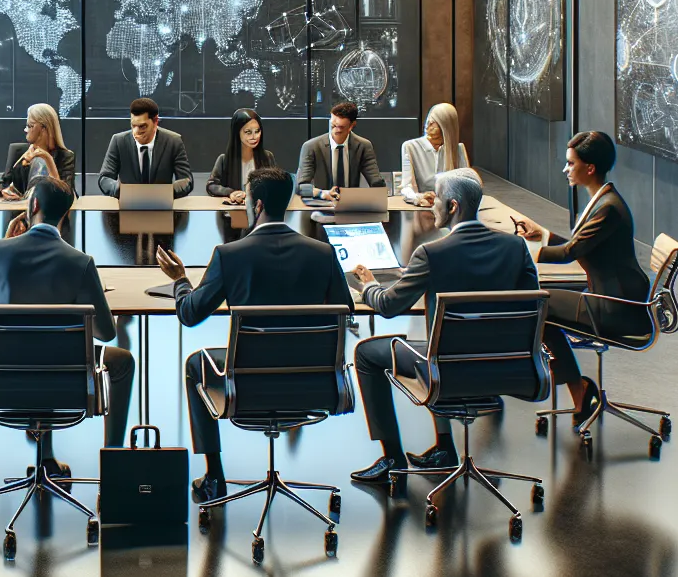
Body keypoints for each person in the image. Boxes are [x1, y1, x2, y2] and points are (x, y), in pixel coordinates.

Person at [153, 168, 350, 501]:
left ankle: (214, 477)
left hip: (246, 388)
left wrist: (180, 280)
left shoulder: (230, 255)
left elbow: (189, 313)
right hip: (313, 385)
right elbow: (345, 310)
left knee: (195, 365)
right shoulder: (324, 254)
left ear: (257, 205)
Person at [347, 169, 540, 482]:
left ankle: (392, 458)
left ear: (452, 206)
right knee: (441, 345)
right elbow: (531, 305)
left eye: (436, 199)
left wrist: (369, 285)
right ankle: (444, 448)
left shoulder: (431, 254)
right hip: (507, 369)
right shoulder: (515, 248)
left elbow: (388, 305)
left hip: (449, 371)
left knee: (368, 353)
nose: (431, 205)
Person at [0, 177, 135, 474]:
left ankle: (45, 457)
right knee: (121, 362)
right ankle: (113, 465)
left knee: (36, 345)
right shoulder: (81, 262)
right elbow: (107, 333)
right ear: (65, 214)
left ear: (33, 205)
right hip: (65, 382)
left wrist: (4, 243)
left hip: (3, 379)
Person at [511, 130, 653, 428]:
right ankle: (579, 390)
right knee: (544, 305)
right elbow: (580, 246)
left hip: (615, 307)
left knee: (540, 304)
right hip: (609, 295)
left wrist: (524, 251)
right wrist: (543, 235)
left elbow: (569, 253)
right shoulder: (604, 199)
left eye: (571, 163)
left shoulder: (608, 209)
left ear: (589, 168)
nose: (566, 169)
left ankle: (577, 388)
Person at [96, 97, 193, 198]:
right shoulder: (119, 141)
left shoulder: (173, 141)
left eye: (142, 126)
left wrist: (164, 193)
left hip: (162, 203)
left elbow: (187, 181)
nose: (136, 132)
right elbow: (104, 178)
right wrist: (122, 190)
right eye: (133, 125)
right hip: (128, 203)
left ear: (155, 122)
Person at [296, 101, 387, 198]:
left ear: (351, 126)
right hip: (322, 202)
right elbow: (300, 187)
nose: (335, 130)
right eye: (332, 126)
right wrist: (321, 193)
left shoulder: (363, 146)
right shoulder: (311, 147)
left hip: (351, 202)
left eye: (340, 127)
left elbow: (376, 182)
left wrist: (381, 193)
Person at [0, 103, 76, 199]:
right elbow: (2, 185)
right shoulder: (19, 152)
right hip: (23, 206)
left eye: (30, 126)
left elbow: (65, 195)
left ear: (43, 128)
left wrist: (48, 159)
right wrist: (5, 191)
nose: (25, 130)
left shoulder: (65, 157)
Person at [401, 103, 470, 205]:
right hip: (424, 206)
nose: (428, 125)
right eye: (428, 120)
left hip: (451, 206)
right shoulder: (410, 147)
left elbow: (468, 185)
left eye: (434, 122)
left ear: (445, 126)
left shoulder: (458, 149)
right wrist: (418, 198)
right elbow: (406, 186)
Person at [206, 107, 277, 204]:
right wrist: (230, 192)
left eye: (257, 131)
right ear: (237, 132)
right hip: (232, 210)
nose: (254, 137)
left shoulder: (267, 157)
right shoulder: (224, 160)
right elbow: (211, 185)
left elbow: (277, 185)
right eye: (248, 132)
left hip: (259, 210)